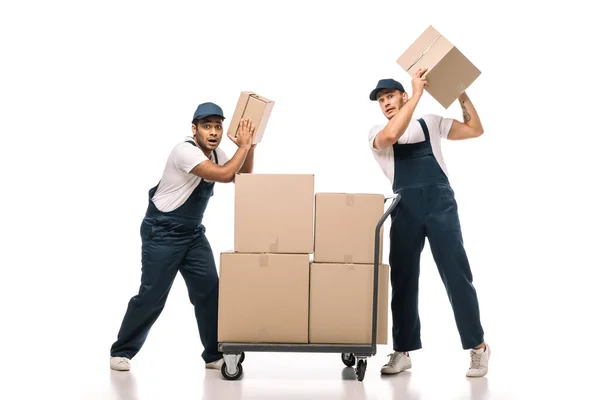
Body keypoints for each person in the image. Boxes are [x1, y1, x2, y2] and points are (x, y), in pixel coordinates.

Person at [109, 102, 257, 372]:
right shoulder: (184, 152)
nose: (213, 132)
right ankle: (121, 351)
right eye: (207, 126)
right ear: (194, 129)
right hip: (162, 232)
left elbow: (243, 176)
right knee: (152, 296)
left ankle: (214, 355)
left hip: (192, 235)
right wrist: (242, 147)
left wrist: (251, 146)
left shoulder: (217, 153)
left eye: (218, 126)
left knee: (210, 291)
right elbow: (225, 175)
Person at [367, 69, 490, 378]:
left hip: (440, 205)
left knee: (456, 274)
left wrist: (460, 92)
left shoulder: (431, 123)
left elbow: (476, 129)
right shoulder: (375, 132)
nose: (386, 103)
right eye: (381, 100)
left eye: (390, 96)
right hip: (405, 207)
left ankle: (478, 348)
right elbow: (391, 136)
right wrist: (418, 93)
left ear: (402, 97)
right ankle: (403, 351)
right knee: (404, 280)